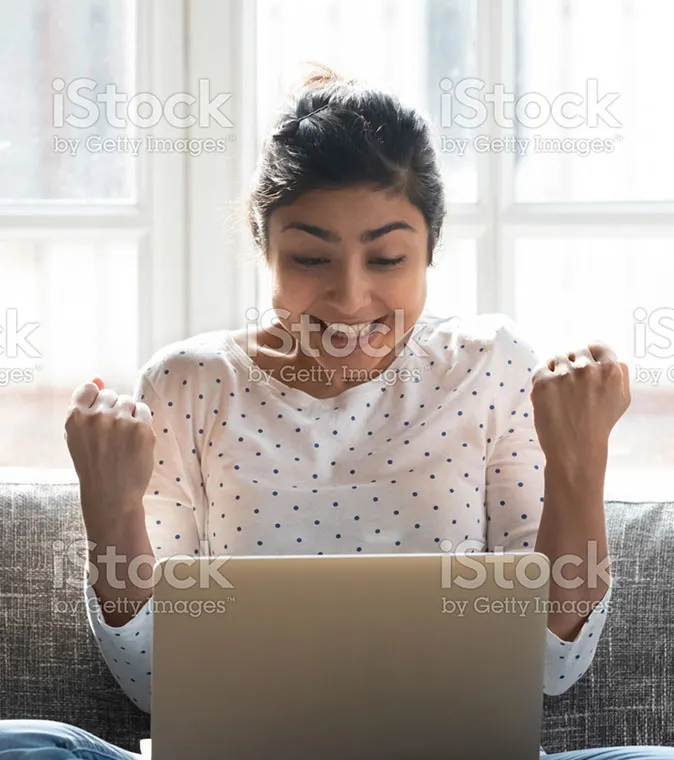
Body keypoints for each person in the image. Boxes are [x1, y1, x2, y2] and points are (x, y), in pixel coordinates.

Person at [0, 65, 669, 760]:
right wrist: (109, 505)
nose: (349, 299)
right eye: (311, 257)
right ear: (265, 250)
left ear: (430, 249)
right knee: (32, 746)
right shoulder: (187, 384)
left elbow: (553, 665)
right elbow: (149, 682)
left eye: (386, 258)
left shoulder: (491, 365)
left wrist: (581, 458)